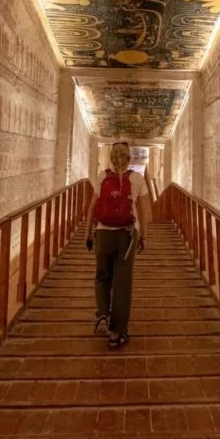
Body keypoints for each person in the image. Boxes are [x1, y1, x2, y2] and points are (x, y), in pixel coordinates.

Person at [84, 142, 151, 348]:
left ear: (111, 158)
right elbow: (144, 211)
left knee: (102, 275)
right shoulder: (137, 178)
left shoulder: (102, 176)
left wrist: (88, 233)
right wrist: (144, 236)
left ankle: (104, 312)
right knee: (123, 282)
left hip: (103, 233)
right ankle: (116, 333)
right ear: (129, 158)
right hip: (127, 235)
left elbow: (92, 206)